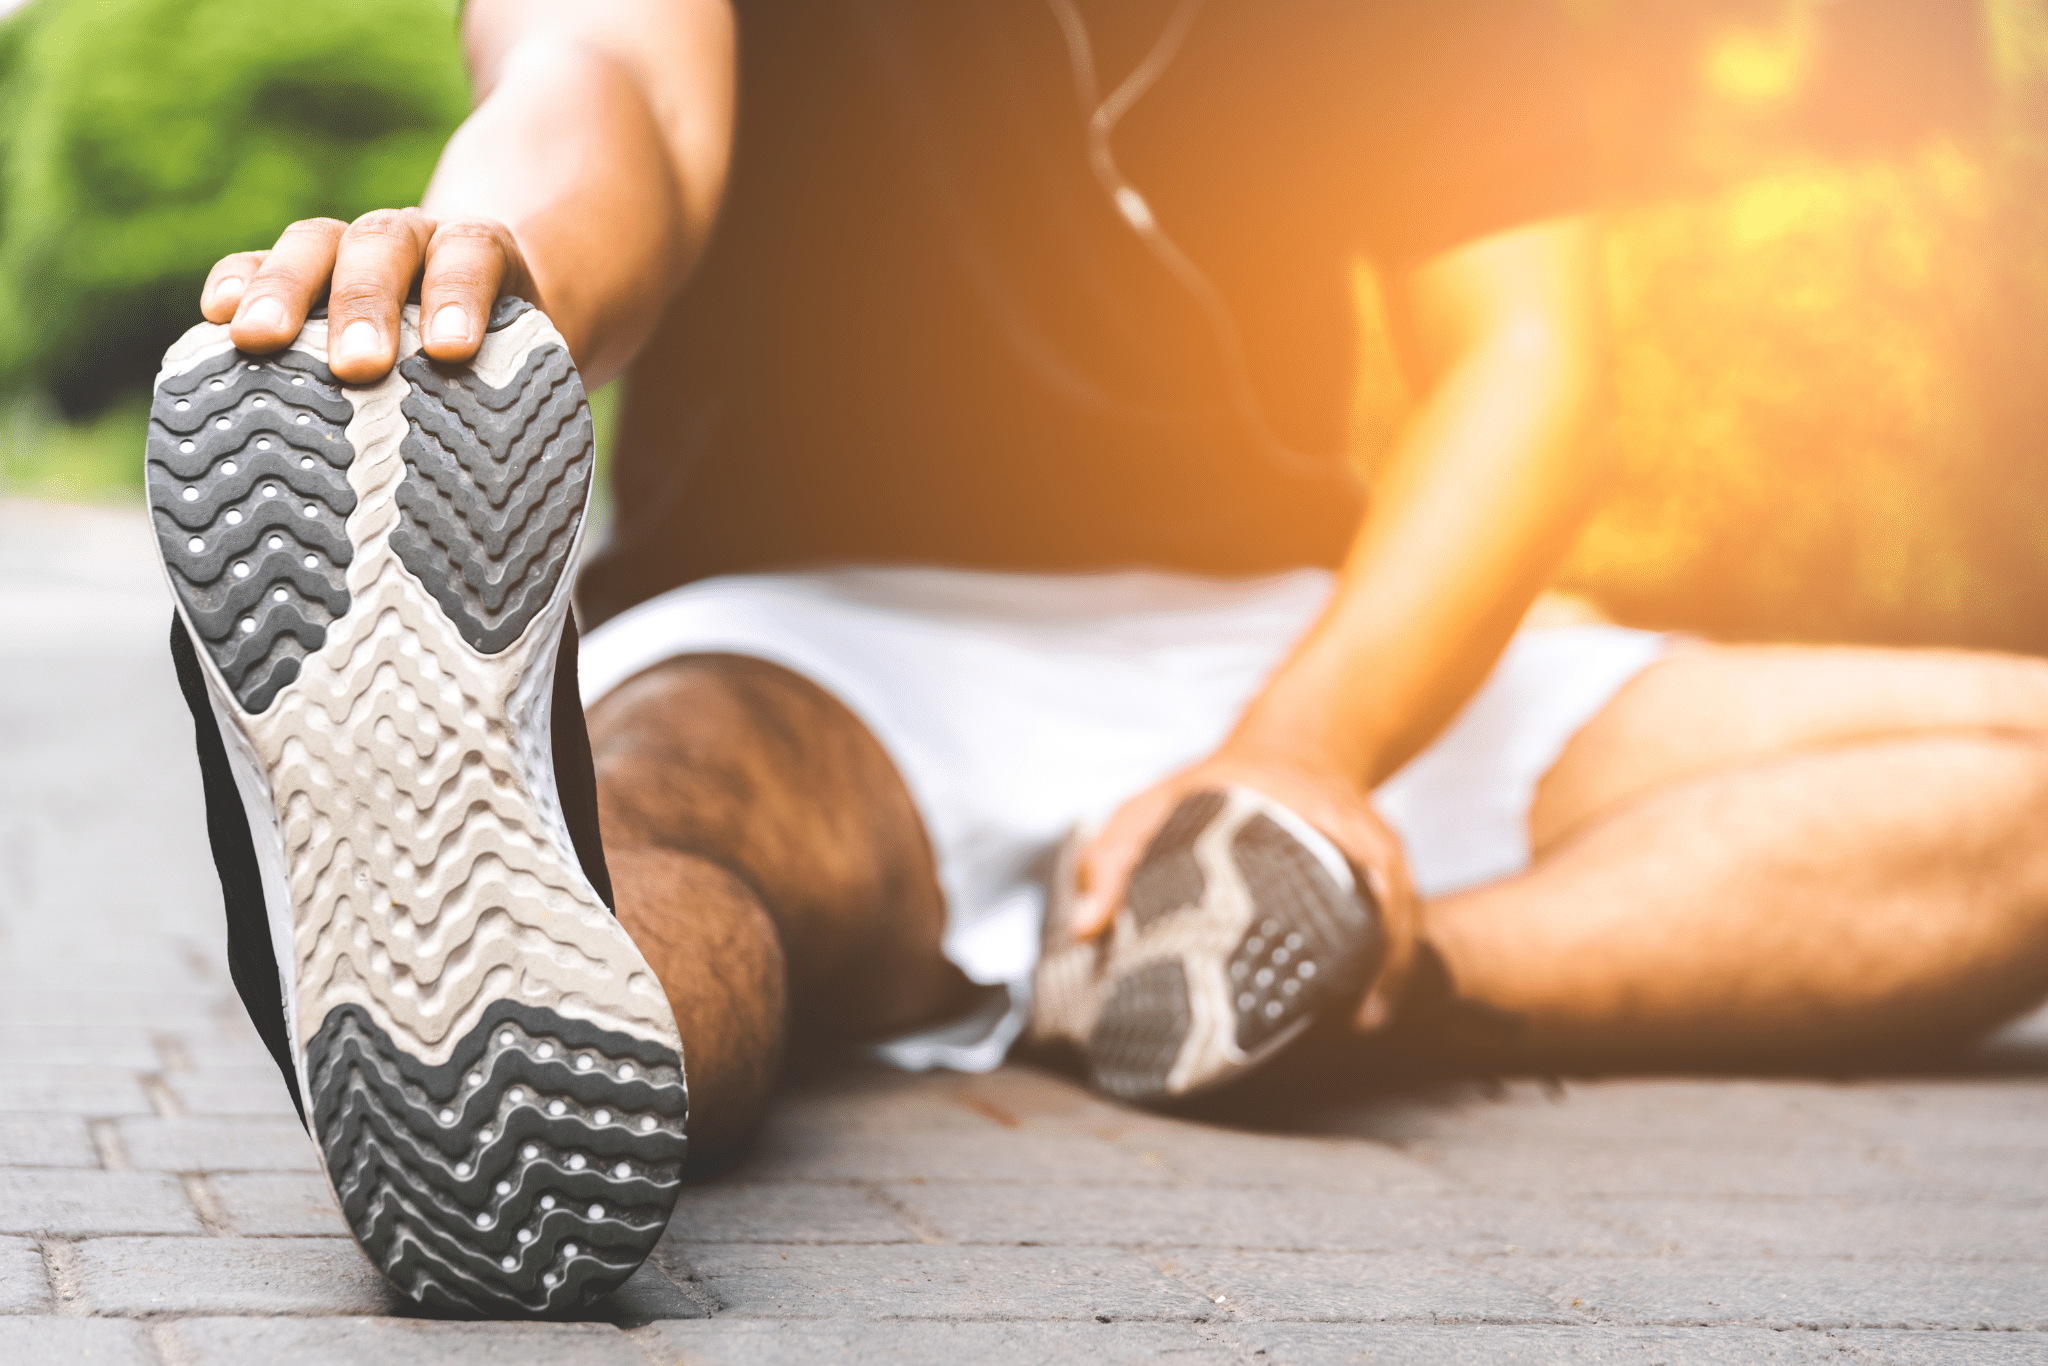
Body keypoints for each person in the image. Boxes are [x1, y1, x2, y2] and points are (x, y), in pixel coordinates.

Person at [164, 0, 2048, 1315]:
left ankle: (1322, 962)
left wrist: (1301, 751)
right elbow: (614, 79)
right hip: (826, 631)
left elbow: (1531, 363)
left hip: (1299, 647)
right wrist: (502, 268)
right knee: (668, 826)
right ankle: (475, 983)